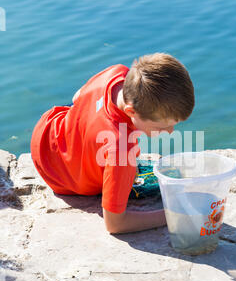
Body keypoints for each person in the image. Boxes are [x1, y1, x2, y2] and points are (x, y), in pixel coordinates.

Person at [30, 53, 195, 234]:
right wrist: (173, 215)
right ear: (131, 111)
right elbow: (115, 224)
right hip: (61, 178)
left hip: (47, 131)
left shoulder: (117, 74)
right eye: (161, 126)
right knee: (126, 167)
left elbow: (78, 97)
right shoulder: (122, 148)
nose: (170, 132)